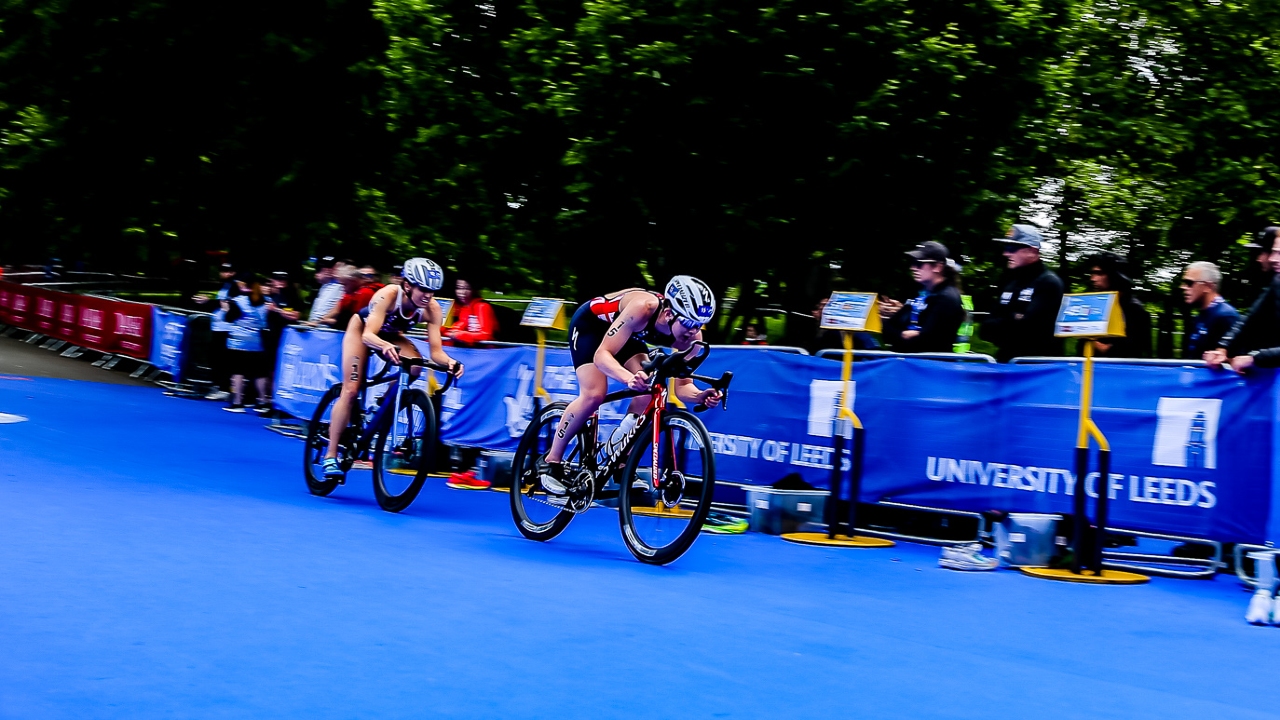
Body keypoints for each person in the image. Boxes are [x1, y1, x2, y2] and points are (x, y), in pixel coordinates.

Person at [536, 276, 725, 495]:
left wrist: (701, 396)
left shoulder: (692, 339)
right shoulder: (642, 308)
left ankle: (621, 464)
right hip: (591, 327)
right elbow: (601, 356)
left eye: (699, 325)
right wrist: (628, 379)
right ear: (669, 313)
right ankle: (551, 462)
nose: (693, 331)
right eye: (689, 323)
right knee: (594, 394)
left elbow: (682, 388)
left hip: (630, 334)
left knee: (648, 391)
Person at [321, 258, 463, 480]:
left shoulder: (432, 308)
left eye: (432, 291)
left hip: (392, 335)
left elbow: (436, 353)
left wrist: (451, 363)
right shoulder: (388, 294)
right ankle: (330, 456)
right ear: (408, 285)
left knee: (415, 366)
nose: (428, 296)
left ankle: (383, 406)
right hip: (362, 331)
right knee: (350, 390)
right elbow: (369, 335)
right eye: (423, 289)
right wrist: (384, 345)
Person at [981, 224, 1065, 362]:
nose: (1006, 253)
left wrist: (1006, 320)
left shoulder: (1049, 283)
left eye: (1012, 248)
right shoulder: (1011, 283)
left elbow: (1030, 333)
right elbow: (985, 329)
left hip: (1038, 369)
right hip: (1007, 363)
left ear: (1032, 251)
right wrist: (1013, 318)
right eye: (1006, 248)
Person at [1207, 229, 1280, 373]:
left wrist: (1255, 358)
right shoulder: (1277, 281)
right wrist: (1223, 348)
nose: (1272, 259)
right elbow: (1251, 317)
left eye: (1279, 253)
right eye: (1273, 252)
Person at [879, 241, 966, 353]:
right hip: (910, 362)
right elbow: (887, 330)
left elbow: (927, 342)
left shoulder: (946, 298)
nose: (913, 268)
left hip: (928, 366)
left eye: (919, 264)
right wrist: (902, 334)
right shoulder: (920, 292)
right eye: (912, 262)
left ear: (937, 267)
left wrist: (900, 334)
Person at [221, 275, 273, 413]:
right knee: (259, 373)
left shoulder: (238, 301)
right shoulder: (265, 302)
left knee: (238, 372)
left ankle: (238, 403)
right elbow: (263, 323)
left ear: (245, 286)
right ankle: (263, 402)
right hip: (256, 343)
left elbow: (228, 318)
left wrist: (226, 309)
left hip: (238, 343)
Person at [1084, 252, 1150, 358]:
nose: (1093, 279)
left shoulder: (1134, 310)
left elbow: (1128, 350)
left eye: (1099, 273)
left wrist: (1091, 341)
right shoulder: (1094, 305)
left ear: (1115, 276)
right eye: (1092, 273)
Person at [192, 261, 240, 400]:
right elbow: (221, 303)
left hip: (228, 328)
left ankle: (225, 388)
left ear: (233, 273)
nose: (224, 273)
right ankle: (218, 385)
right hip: (218, 326)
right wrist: (207, 302)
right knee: (215, 357)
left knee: (223, 359)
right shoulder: (225, 286)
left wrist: (210, 301)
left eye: (227, 271)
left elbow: (229, 304)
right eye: (223, 271)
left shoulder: (236, 286)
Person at [1180, 261, 1238, 360]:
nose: (1183, 287)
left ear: (1208, 286)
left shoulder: (1226, 316)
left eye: (1189, 283)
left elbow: (1236, 361)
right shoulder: (1202, 315)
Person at [443, 275, 498, 347]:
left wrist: (460, 335)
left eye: (467, 288)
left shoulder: (482, 306)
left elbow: (486, 335)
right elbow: (456, 329)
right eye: (459, 288)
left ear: (474, 290)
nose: (462, 292)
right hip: (468, 349)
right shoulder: (464, 308)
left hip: (484, 351)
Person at [308, 256, 345, 323]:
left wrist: (319, 321)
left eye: (330, 267)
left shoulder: (342, 286)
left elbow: (338, 309)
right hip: (314, 324)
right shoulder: (324, 285)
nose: (327, 271)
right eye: (323, 268)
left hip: (326, 326)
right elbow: (319, 278)